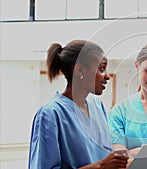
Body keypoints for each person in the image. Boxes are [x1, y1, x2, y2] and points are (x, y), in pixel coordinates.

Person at [28, 40, 129, 169]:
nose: (108, 76)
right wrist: (100, 166)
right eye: (102, 68)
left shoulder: (98, 106)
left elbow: (103, 155)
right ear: (80, 70)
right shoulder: (50, 114)